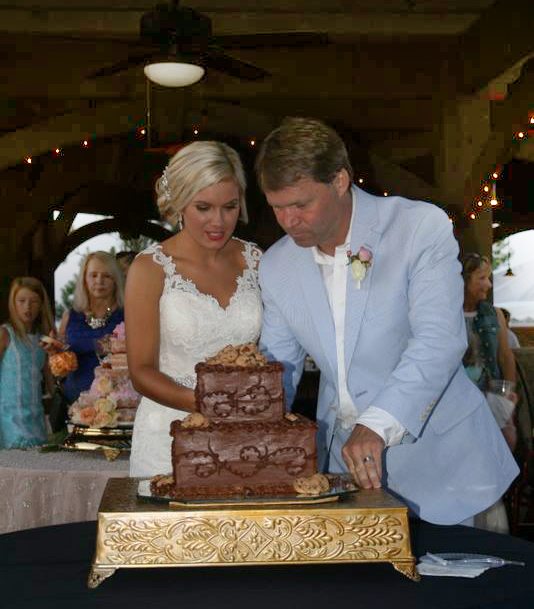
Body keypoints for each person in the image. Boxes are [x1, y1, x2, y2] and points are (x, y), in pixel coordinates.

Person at [255, 116, 518, 525]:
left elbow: (439, 340)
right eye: (277, 208)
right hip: (343, 476)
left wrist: (376, 424)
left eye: (301, 205)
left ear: (340, 181)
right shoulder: (275, 266)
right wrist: (253, 439)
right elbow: (278, 370)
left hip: (447, 470)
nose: (289, 221)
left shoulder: (418, 226)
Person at [126, 141, 262, 477]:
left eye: (229, 207)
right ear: (180, 202)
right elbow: (141, 372)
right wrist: (207, 405)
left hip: (241, 439)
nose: (218, 221)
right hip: (167, 436)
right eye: (204, 207)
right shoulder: (149, 268)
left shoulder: (257, 261)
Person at [462, 253, 517, 450]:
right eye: (482, 278)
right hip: (458, 400)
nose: (489, 285)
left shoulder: (495, 315)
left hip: (491, 395)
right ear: (464, 279)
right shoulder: (447, 315)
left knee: (504, 443)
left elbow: (505, 356)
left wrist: (509, 392)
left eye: (489, 278)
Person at [58, 251, 124, 404]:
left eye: (106, 276)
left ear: (116, 280)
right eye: (93, 275)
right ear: (84, 279)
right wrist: (55, 353)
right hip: (75, 405)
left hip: (118, 406)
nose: (99, 281)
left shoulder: (128, 315)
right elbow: (60, 369)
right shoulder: (70, 316)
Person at [0, 277, 54, 448]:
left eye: (34, 301)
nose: (27, 307)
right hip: (9, 416)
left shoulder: (42, 339)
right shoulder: (5, 334)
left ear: (41, 305)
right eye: (21, 301)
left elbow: (50, 379)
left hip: (35, 415)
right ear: (13, 303)